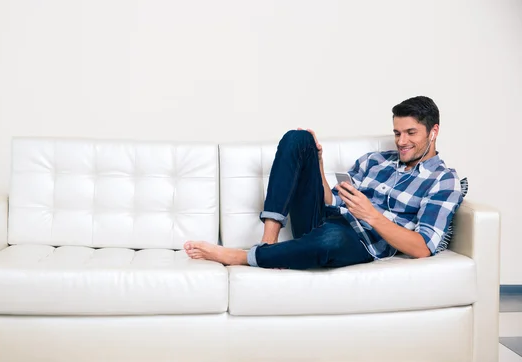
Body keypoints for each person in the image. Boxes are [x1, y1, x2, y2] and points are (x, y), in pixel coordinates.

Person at [184, 96, 464, 269]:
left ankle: (243, 257)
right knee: (299, 138)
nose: (401, 141)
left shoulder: (443, 180)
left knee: (331, 239)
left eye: (410, 133)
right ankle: (267, 243)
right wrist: (318, 164)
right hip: (325, 218)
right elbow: (332, 200)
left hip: (360, 241)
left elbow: (422, 247)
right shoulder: (375, 160)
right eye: (397, 132)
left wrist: (371, 215)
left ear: (434, 131)